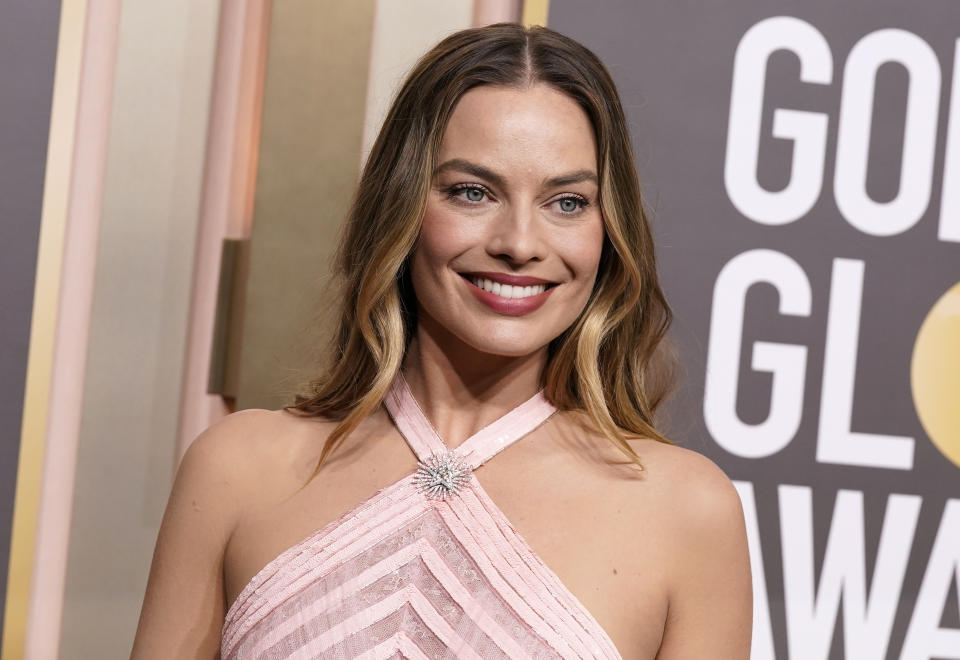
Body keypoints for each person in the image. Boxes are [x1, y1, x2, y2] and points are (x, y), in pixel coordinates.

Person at [132, 23, 752, 659]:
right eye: (472, 192)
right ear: (401, 207)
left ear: (608, 229)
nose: (520, 243)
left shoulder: (687, 513)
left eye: (566, 202)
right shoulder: (238, 468)